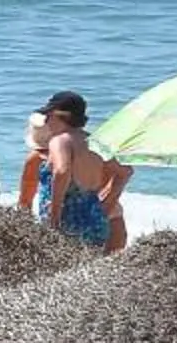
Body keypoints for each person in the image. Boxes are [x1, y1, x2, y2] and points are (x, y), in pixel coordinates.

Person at [34, 92, 131, 250]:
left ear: (59, 116)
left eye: (47, 117)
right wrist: (105, 205)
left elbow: (62, 171)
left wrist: (55, 216)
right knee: (88, 269)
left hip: (68, 219)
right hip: (94, 218)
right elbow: (124, 172)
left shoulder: (60, 141)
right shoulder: (94, 141)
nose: (46, 123)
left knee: (61, 270)